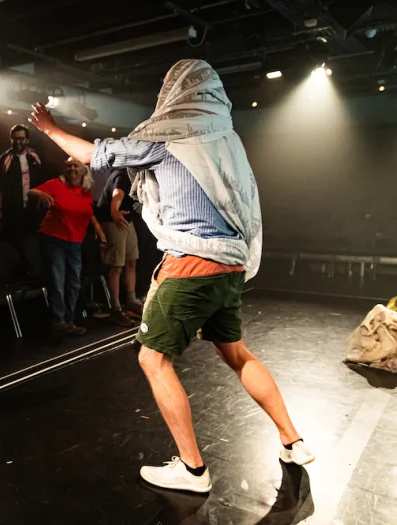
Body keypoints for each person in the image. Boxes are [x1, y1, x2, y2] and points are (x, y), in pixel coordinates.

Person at [29, 59, 313, 492]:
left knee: (152, 359)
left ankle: (193, 469)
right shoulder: (225, 137)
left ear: (175, 91)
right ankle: (292, 440)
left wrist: (49, 127)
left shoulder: (169, 136)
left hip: (193, 262)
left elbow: (91, 155)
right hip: (230, 264)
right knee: (237, 353)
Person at [29, 158, 105, 337]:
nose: (72, 169)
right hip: (54, 239)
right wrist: (41, 195)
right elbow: (31, 191)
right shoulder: (57, 184)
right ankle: (58, 322)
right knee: (57, 280)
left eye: (75, 166)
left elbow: (87, 211)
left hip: (75, 241)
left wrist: (97, 226)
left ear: (83, 170)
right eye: (69, 166)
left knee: (74, 281)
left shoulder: (85, 191)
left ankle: (69, 320)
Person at [94, 168, 143, 326]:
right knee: (116, 266)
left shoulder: (141, 174)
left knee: (131, 261)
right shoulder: (123, 175)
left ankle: (131, 301)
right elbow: (117, 194)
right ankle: (115, 309)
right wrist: (114, 211)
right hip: (113, 221)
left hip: (127, 220)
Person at [0, 124, 45, 246]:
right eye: (15, 138)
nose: (18, 142)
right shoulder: (5, 159)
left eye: (21, 138)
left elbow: (43, 181)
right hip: (13, 209)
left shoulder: (35, 157)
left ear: (27, 140)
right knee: (15, 242)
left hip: (33, 207)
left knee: (33, 241)